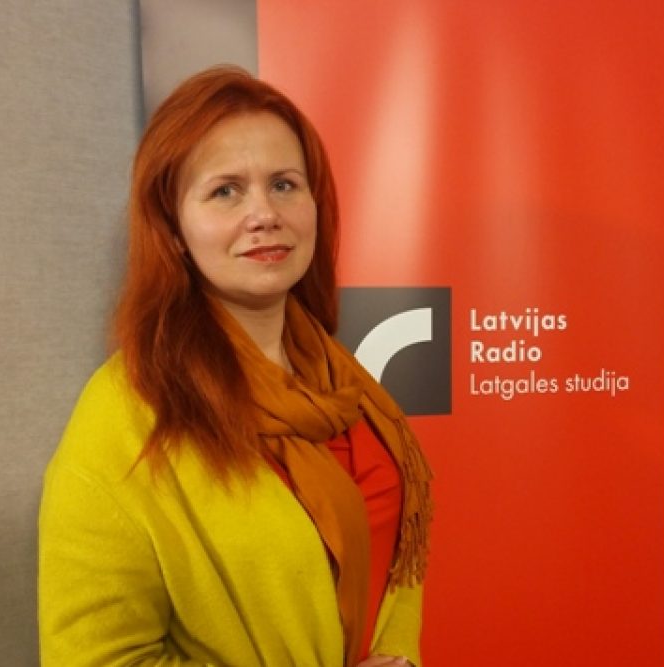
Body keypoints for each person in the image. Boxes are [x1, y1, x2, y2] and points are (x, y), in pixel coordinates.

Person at [38, 65, 432, 667]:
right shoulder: (127, 413)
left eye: (284, 184)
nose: (264, 214)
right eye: (226, 191)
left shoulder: (343, 380)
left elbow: (397, 564)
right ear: (173, 228)